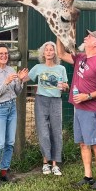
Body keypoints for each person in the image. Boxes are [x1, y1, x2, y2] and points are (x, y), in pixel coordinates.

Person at [57, 29, 96, 190]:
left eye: (89, 36)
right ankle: (87, 176)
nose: (85, 37)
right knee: (83, 144)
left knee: (95, 143)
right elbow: (60, 54)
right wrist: (59, 33)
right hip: (78, 108)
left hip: (91, 109)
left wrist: (87, 96)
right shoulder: (81, 58)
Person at [0, 43, 29, 188]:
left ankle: (4, 171)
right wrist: (6, 82)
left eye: (6, 53)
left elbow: (16, 92)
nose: (4, 56)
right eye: (1, 54)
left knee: (10, 142)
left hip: (11, 107)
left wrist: (20, 81)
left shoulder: (10, 69)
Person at [28, 41, 69, 176]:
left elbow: (65, 86)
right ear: (43, 53)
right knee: (43, 132)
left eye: (52, 50)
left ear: (55, 52)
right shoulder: (38, 67)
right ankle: (45, 162)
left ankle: (55, 164)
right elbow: (25, 78)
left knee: (56, 132)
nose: (49, 52)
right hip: (41, 101)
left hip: (56, 101)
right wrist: (19, 78)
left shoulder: (60, 69)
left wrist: (64, 87)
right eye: (47, 50)